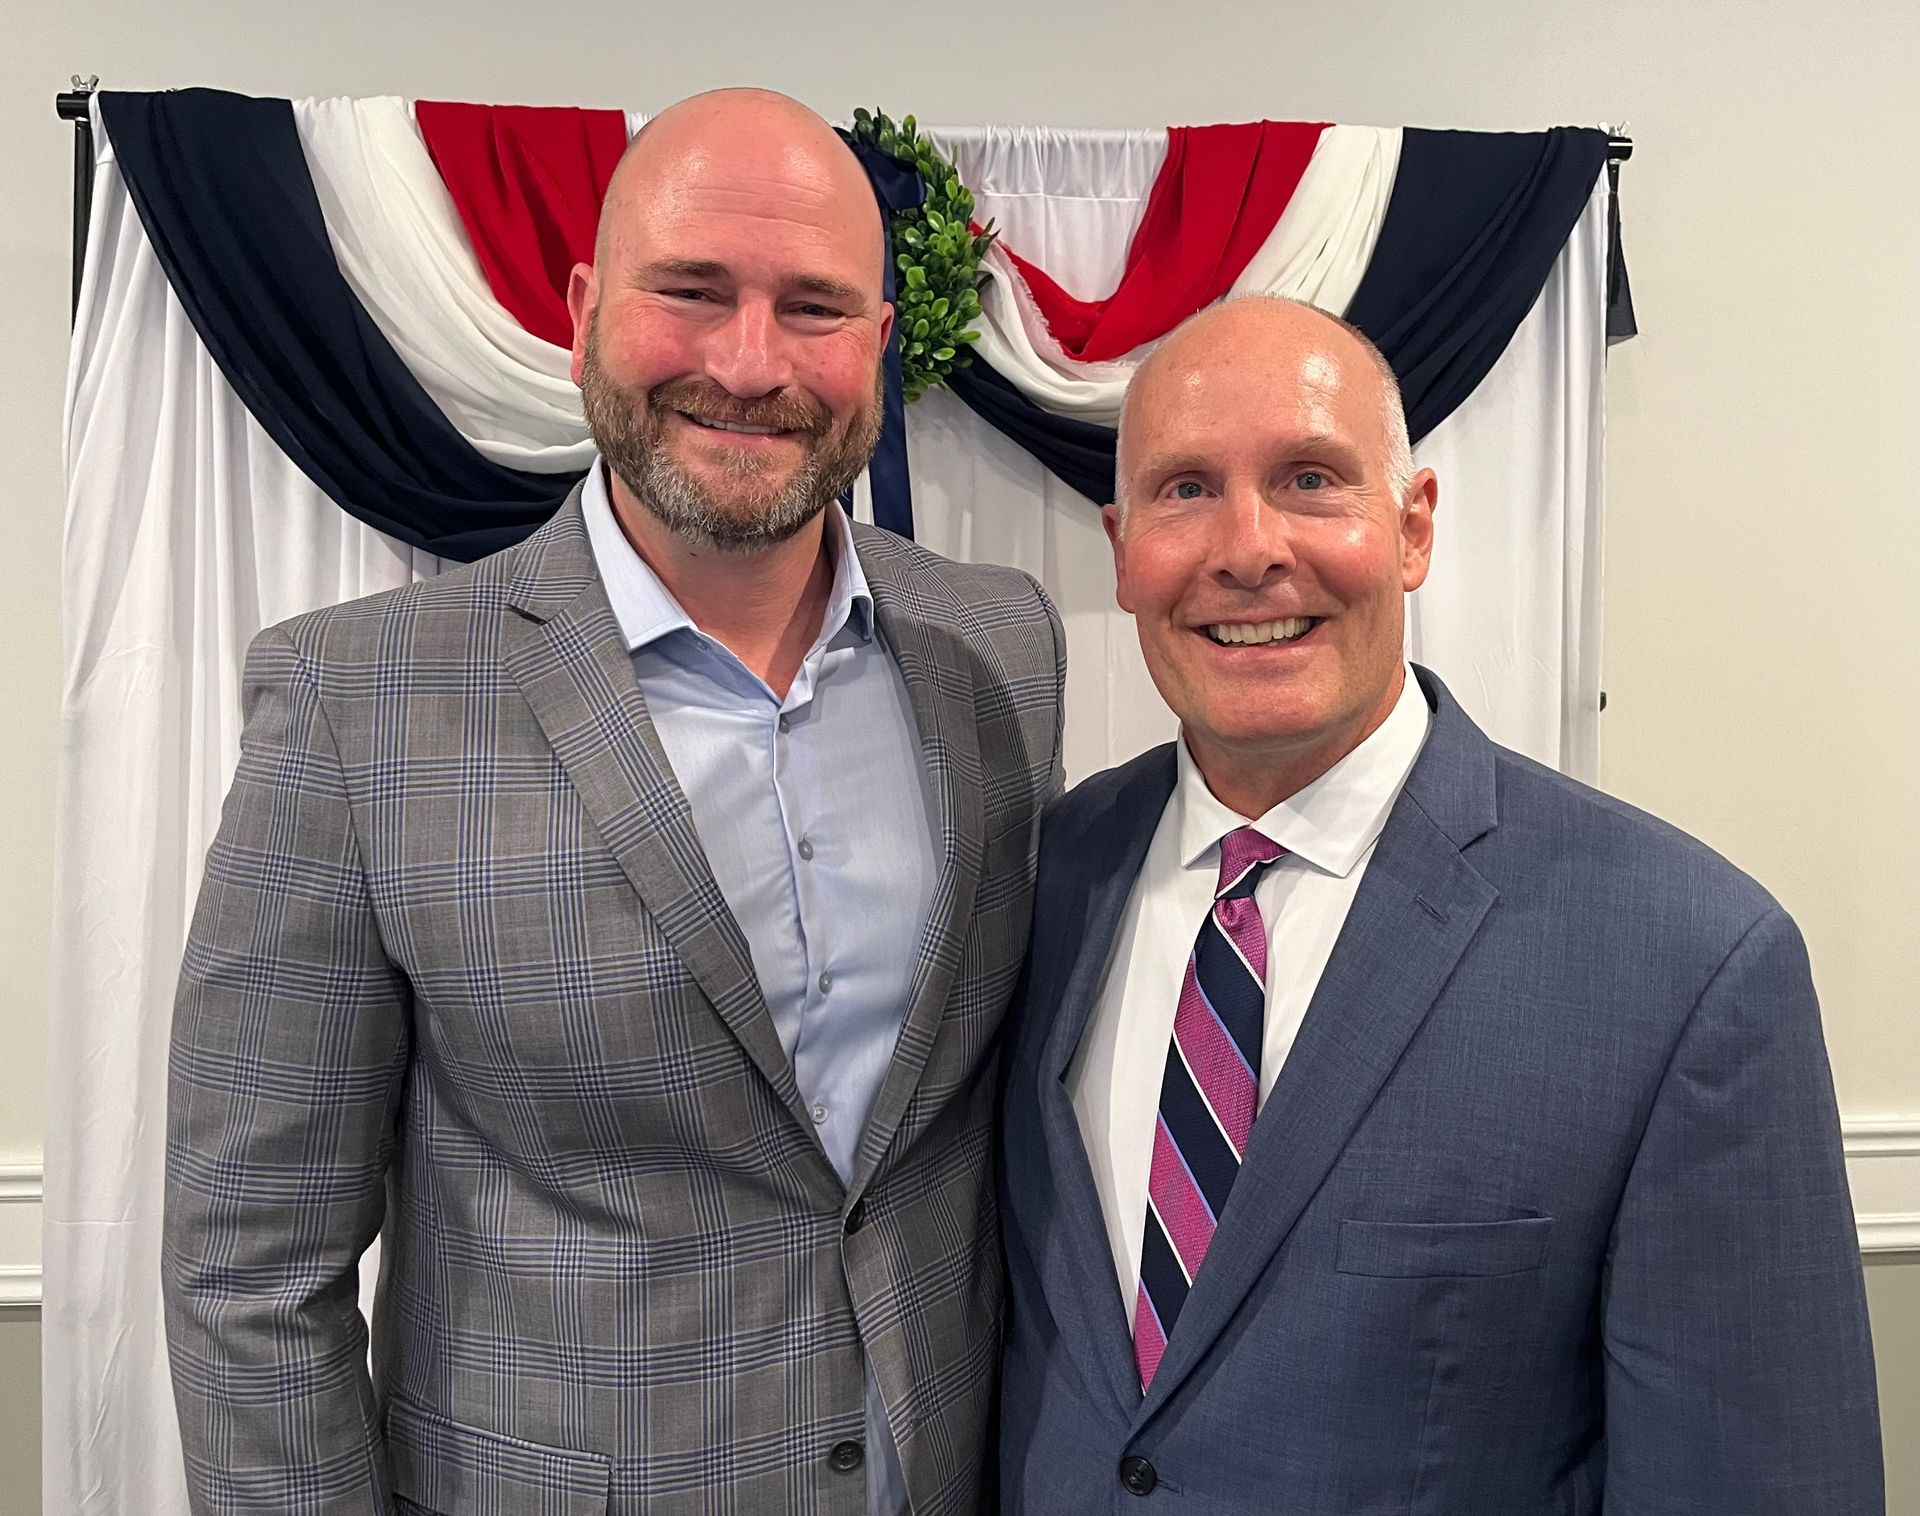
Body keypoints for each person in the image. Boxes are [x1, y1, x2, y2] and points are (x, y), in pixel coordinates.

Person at [165, 88, 1064, 1516]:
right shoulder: (354, 708)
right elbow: (251, 1269)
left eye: (816, 307)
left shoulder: (1003, 647)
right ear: (585, 307)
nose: (751, 362)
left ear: (881, 345)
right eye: (691, 292)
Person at [997, 296, 1882, 1513]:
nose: (1247, 548)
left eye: (1311, 479)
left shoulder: (1690, 964)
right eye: (1185, 488)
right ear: (1121, 544)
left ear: (1412, 526)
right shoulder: (1046, 879)